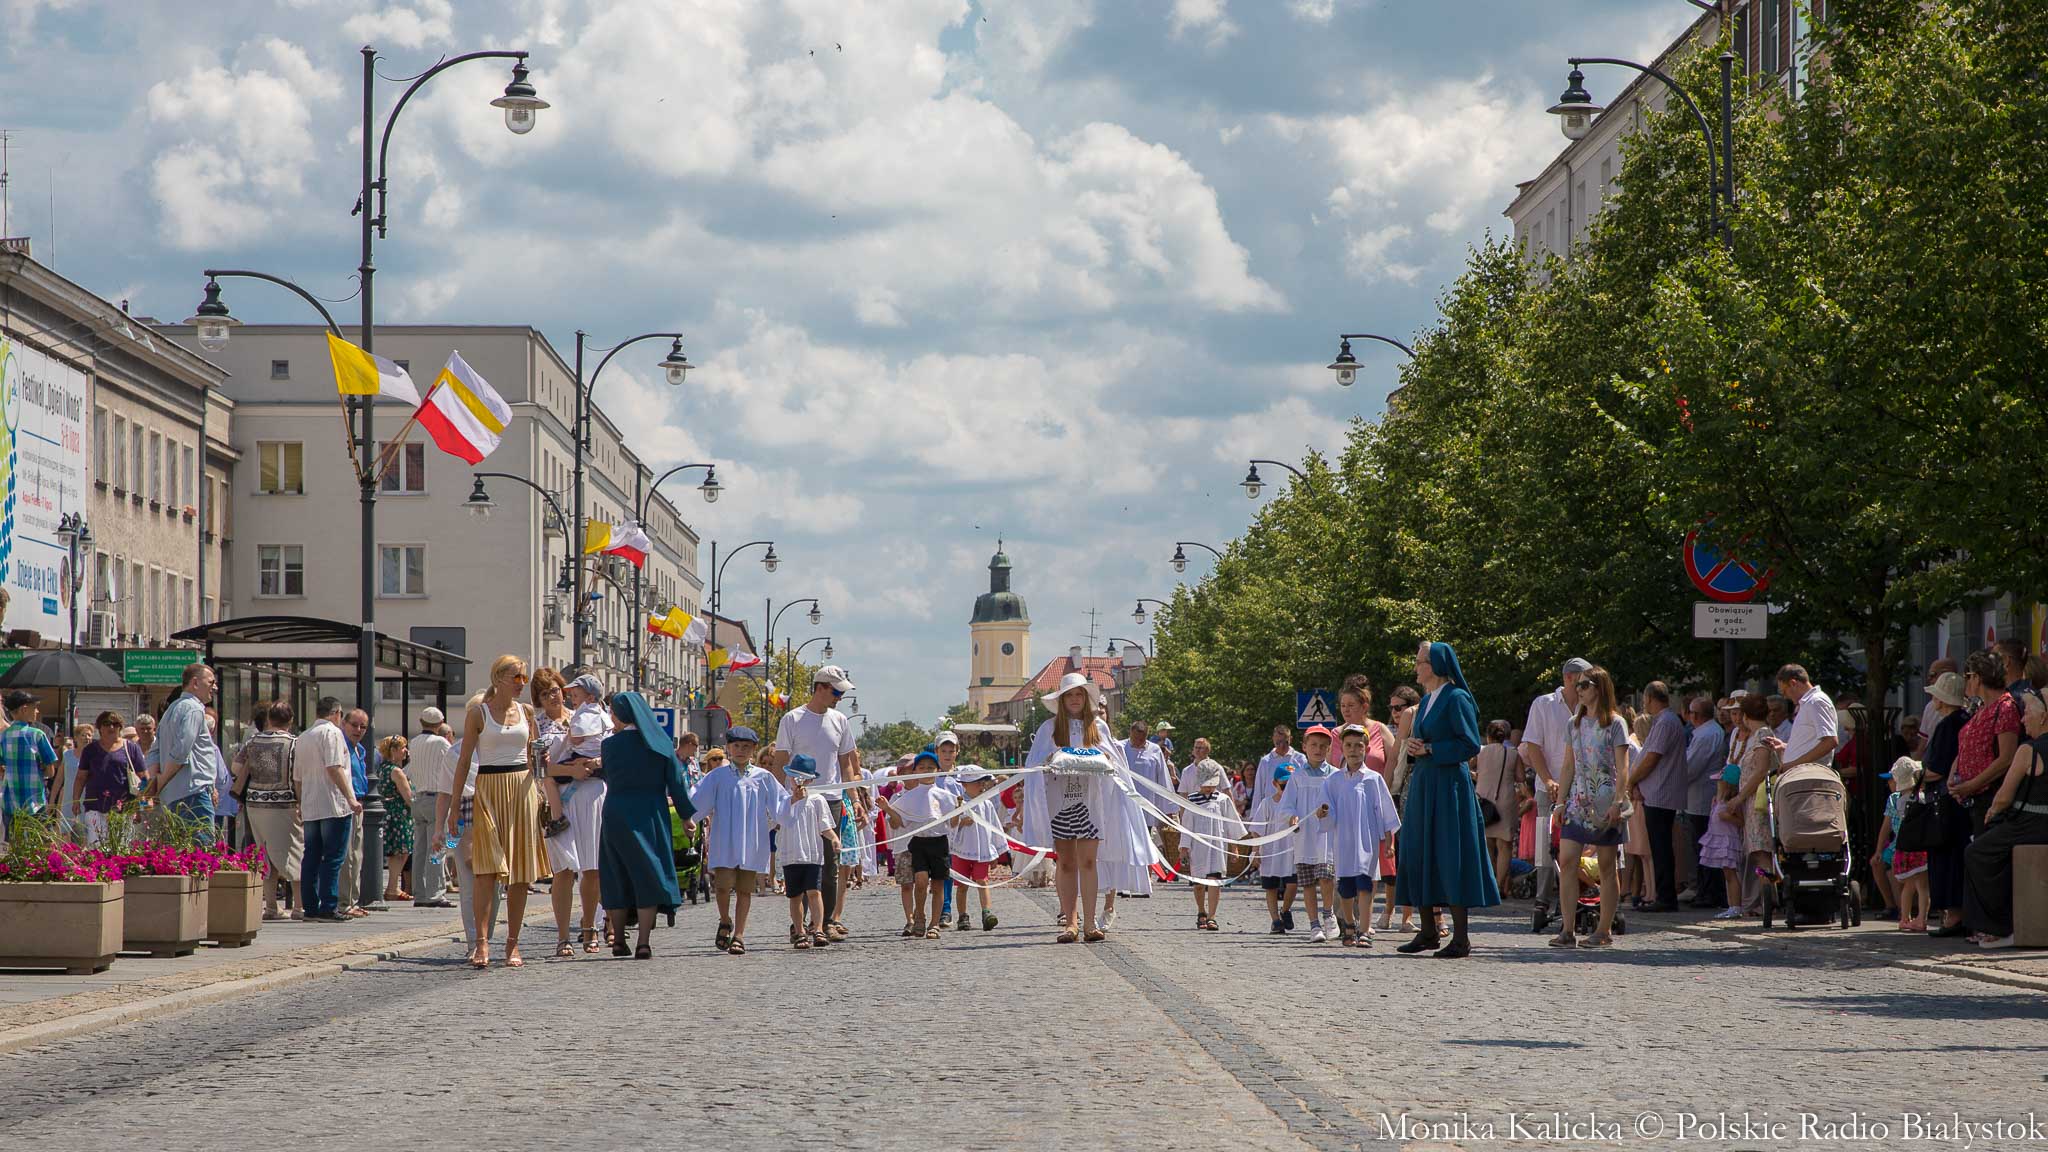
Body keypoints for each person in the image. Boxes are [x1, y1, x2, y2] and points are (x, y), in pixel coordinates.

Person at [1395, 642, 1500, 958]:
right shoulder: (1427, 701)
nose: (1416, 668)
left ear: (1436, 664)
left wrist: (1430, 750)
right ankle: (1427, 931)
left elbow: (1470, 744)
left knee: (1450, 852)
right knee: (1420, 850)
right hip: (1426, 784)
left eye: (1420, 662)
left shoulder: (1457, 698)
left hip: (1449, 786)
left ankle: (1461, 937)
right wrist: (1417, 747)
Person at [445, 656, 547, 969]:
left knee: (519, 874)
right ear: (499, 677)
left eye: (524, 677)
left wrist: (541, 791)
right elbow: (463, 761)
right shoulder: (479, 712)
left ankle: (513, 945)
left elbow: (534, 754)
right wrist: (453, 809)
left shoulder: (526, 712)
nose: (522, 683)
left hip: (521, 790)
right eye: (517, 677)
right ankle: (481, 943)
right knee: (485, 871)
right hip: (487, 789)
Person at [1021, 671, 1128, 944]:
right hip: (1061, 802)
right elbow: (1035, 765)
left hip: (1091, 802)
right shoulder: (1049, 729)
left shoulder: (1099, 727)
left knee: (1089, 861)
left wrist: (1102, 759)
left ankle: (1091, 922)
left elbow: (1115, 762)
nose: (1075, 699)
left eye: (1079, 694)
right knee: (1066, 862)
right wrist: (1050, 760)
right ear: (1062, 699)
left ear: (1086, 697)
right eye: (1070, 695)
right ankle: (1070, 921)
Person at [595, 691, 699, 960]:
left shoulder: (610, 745)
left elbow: (606, 774)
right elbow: (676, 784)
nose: (611, 718)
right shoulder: (661, 744)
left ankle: (618, 940)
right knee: (648, 874)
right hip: (650, 814)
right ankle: (643, 942)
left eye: (613, 713)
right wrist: (687, 818)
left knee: (616, 873)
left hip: (616, 812)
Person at [770, 666, 861, 943]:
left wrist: (855, 799)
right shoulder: (793, 719)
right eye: (836, 692)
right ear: (820, 687)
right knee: (801, 860)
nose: (840, 698)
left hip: (831, 799)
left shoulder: (840, 720)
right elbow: (781, 760)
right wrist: (776, 801)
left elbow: (846, 763)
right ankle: (800, 924)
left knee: (830, 862)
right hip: (798, 800)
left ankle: (827, 921)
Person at [688, 726, 785, 956]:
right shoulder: (717, 776)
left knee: (744, 889)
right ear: (728, 748)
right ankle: (724, 920)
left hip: (752, 840)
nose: (740, 750)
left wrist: (796, 801)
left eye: (746, 747)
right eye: (736, 746)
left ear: (752, 750)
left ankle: (739, 935)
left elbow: (780, 804)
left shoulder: (763, 778)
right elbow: (697, 799)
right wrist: (688, 818)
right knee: (722, 887)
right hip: (725, 839)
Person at [1553, 664, 1631, 948]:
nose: (1579, 689)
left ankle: (1603, 930)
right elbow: (1567, 765)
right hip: (1577, 800)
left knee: (1608, 866)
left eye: (1584, 685)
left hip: (1605, 800)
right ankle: (1568, 929)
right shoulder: (1573, 723)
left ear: (1599, 688)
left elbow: (1623, 768)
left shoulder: (1615, 723)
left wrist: (1619, 801)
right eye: (1578, 685)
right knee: (1567, 861)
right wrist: (1560, 802)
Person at [1963, 690, 2048, 949]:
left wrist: (1991, 813)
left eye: (2028, 714)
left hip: (2030, 824)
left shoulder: (2028, 750)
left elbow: (2003, 798)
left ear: (2044, 717)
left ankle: (1999, 927)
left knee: (1976, 852)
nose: (2023, 721)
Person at [541, 672, 609, 956]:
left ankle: (590, 928)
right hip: (565, 801)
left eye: (558, 690)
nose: (558, 696)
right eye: (545, 693)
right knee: (564, 871)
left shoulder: (593, 718)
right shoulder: (543, 727)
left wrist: (595, 762)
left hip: (594, 795)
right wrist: (573, 770)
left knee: (592, 868)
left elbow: (611, 755)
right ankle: (562, 935)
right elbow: (543, 770)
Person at [1521, 658, 1590, 920]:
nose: (1588, 685)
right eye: (1585, 680)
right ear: (1570, 678)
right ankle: (1542, 898)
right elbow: (1533, 745)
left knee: (1578, 844)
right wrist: (1548, 779)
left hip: (1581, 787)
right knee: (1545, 842)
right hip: (1548, 785)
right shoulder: (1545, 704)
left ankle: (1572, 896)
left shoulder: (1588, 706)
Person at [1322, 723, 1401, 947]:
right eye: (1348, 745)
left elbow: (1385, 812)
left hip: (1367, 840)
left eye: (1358, 745)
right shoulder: (1334, 781)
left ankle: (1364, 930)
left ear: (1366, 748)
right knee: (1346, 885)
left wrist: (1389, 841)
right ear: (1342, 749)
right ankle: (1349, 925)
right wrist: (1323, 812)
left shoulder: (1373, 779)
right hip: (1343, 841)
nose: (1354, 750)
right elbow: (1326, 808)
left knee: (1365, 884)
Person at [233, 701, 303, 920]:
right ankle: (299, 907)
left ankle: (271, 906)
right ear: (290, 721)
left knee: (266, 854)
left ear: (269, 719)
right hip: (285, 804)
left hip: (255, 804)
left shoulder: (253, 741)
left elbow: (236, 767)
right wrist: (301, 802)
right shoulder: (293, 742)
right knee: (294, 852)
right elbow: (298, 776)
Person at [294, 697, 361, 923]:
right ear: (337, 713)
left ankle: (310, 907)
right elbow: (334, 767)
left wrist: (301, 802)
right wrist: (351, 799)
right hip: (334, 804)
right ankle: (328, 906)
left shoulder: (303, 737)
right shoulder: (332, 733)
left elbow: (297, 778)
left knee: (311, 856)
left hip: (311, 804)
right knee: (333, 857)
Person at [1918, 671, 1973, 936]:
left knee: (1946, 856)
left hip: (1944, 801)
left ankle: (1953, 915)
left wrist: (1915, 775)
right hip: (1960, 799)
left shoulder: (1948, 725)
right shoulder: (1965, 719)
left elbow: (1937, 768)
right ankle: (1956, 912)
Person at [1626, 681, 1687, 913]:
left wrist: (1632, 780)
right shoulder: (1666, 721)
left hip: (1660, 793)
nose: (1644, 704)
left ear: (1651, 698)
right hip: (1658, 792)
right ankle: (1663, 895)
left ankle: (1665, 897)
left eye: (1645, 700)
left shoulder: (1665, 722)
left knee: (1660, 848)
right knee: (1658, 847)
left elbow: (1652, 758)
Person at [880, 746, 952, 940]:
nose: (926, 770)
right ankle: (919, 915)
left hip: (939, 843)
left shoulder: (944, 795)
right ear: (915, 771)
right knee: (920, 881)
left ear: (938, 770)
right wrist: (887, 808)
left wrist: (960, 811)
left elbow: (953, 822)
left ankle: (934, 924)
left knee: (937, 885)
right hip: (918, 843)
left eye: (930, 766)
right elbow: (900, 820)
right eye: (922, 767)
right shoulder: (909, 796)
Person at [144, 664, 220, 844]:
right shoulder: (194, 709)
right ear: (195, 683)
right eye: (211, 682)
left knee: (180, 853)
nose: (214, 687)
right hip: (193, 793)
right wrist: (161, 781)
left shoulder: (172, 708)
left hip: (172, 795)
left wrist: (156, 783)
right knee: (201, 854)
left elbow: (155, 751)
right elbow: (181, 751)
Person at [1278, 725, 1340, 942]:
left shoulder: (1335, 775)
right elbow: (1286, 805)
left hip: (1325, 837)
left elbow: (1339, 804)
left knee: (1326, 876)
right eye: (1313, 745)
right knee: (1307, 883)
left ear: (1329, 748)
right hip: (1305, 837)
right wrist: (1292, 816)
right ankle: (1314, 926)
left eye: (1323, 746)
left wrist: (1328, 811)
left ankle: (1328, 913)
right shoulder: (1297, 777)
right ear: (1304, 747)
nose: (1318, 749)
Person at [1725, 693, 1781, 908]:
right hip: (1753, 804)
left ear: (1747, 716)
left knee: (1762, 854)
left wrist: (1739, 797)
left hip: (1759, 804)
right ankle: (1766, 897)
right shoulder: (1759, 734)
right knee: (1759, 855)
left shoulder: (1761, 735)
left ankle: (1769, 899)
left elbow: (1760, 771)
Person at [772, 755, 834, 950]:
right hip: (791, 856)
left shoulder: (817, 800)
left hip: (813, 855)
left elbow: (825, 825)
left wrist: (834, 839)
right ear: (789, 777)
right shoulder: (782, 799)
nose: (799, 782)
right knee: (795, 896)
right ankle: (799, 931)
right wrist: (792, 800)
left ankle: (818, 929)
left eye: (803, 778)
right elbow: (775, 821)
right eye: (795, 777)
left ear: (811, 779)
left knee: (815, 892)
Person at [1181, 757, 1245, 931]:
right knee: (1200, 883)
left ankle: (1212, 916)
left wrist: (1234, 846)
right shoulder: (1192, 801)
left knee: (1215, 881)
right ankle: (1201, 911)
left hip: (1217, 845)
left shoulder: (1223, 800)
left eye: (1212, 784)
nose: (1209, 787)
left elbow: (1232, 823)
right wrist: (1184, 848)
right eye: (1206, 784)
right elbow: (1186, 825)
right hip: (1198, 847)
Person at [1682, 695, 1729, 908]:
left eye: (1690, 713)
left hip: (1700, 798)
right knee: (1700, 849)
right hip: (1699, 797)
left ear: (1696, 715)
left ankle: (1708, 893)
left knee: (1702, 849)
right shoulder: (1709, 731)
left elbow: (1690, 768)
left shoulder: (1705, 734)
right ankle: (1705, 891)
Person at [407, 707, 456, 909]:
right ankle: (435, 893)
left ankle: (419, 893)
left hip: (417, 799)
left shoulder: (414, 742)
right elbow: (451, 768)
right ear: (439, 724)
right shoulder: (442, 743)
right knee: (437, 849)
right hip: (436, 799)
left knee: (419, 849)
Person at [75, 710, 145, 850]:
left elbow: (143, 778)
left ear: (120, 727)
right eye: (106, 724)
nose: (111, 727)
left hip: (125, 809)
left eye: (115, 724)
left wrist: (140, 807)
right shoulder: (90, 750)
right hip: (95, 807)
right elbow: (81, 777)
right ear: (99, 727)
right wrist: (75, 800)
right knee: (97, 849)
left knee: (122, 850)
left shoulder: (131, 748)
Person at [947, 764, 1005, 931]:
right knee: (962, 885)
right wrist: (960, 822)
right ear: (965, 784)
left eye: (982, 783)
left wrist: (997, 851)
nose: (981, 786)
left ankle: (986, 912)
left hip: (983, 851)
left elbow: (995, 826)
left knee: (982, 881)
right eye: (977, 783)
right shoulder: (958, 803)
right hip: (961, 850)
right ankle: (962, 916)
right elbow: (949, 825)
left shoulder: (986, 804)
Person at [1875, 757, 1930, 932]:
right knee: (1922, 887)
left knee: (1908, 885)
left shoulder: (1898, 800)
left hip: (1903, 847)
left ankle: (1904, 918)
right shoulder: (1922, 798)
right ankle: (1921, 918)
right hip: (1919, 848)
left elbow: (1888, 825)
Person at [0, 691, 58, 846]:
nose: (37, 711)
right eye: (35, 707)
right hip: (35, 798)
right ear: (24, 709)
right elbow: (50, 770)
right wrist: (43, 771)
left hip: (10, 798)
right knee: (44, 842)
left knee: (15, 844)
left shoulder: (3, 736)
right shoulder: (37, 735)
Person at [1471, 719, 1518, 896]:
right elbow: (1520, 777)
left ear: (1489, 735)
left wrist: (1479, 777)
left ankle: (1488, 884)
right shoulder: (1513, 753)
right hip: (1505, 800)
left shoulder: (1481, 752)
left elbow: (1467, 767)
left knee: (1487, 843)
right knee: (1505, 845)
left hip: (1484, 800)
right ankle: (1499, 885)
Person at [1250, 766, 1299, 934]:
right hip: (1271, 850)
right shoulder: (1267, 804)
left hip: (1291, 850)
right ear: (1275, 784)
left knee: (1292, 884)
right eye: (1284, 786)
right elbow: (1256, 829)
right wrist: (1256, 851)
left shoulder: (1298, 804)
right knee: (1270, 887)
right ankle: (1275, 921)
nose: (1287, 790)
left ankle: (1285, 910)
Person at [337, 708, 374, 916]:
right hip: (346, 803)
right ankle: (345, 903)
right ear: (344, 723)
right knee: (348, 856)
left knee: (356, 855)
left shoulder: (360, 749)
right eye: (354, 725)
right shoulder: (341, 746)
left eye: (363, 726)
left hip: (359, 803)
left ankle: (352, 900)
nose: (358, 730)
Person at [378, 735, 414, 903]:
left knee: (395, 852)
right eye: (402, 748)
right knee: (401, 851)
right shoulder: (396, 771)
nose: (405, 751)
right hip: (400, 814)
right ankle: (392, 887)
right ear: (393, 751)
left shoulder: (381, 768)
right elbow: (408, 797)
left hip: (388, 812)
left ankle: (394, 886)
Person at [1250, 724, 1307, 812]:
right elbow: (1259, 789)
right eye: (1278, 742)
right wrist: (1254, 814)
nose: (1281, 746)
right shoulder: (1266, 761)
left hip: (1295, 808)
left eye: (1285, 742)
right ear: (1273, 739)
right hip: (1272, 810)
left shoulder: (1300, 759)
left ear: (1290, 739)